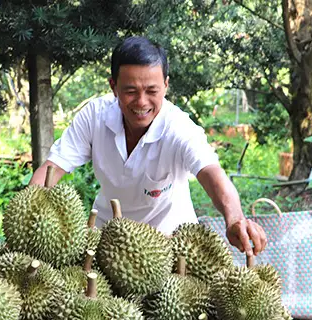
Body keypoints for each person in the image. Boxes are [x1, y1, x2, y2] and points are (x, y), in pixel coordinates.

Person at [29, 36, 266, 257]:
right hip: (106, 242)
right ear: (113, 87)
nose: (141, 102)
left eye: (152, 91)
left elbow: (211, 173)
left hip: (170, 247)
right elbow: (54, 167)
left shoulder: (178, 127)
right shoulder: (94, 117)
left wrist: (235, 218)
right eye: (130, 91)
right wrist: (28, 210)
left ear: (165, 85)